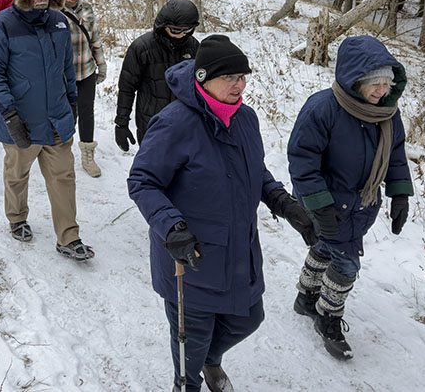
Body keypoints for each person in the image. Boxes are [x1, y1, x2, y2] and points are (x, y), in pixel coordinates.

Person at [128, 35, 313, 392]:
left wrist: (283, 203)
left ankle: (210, 362)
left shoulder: (245, 118)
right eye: (230, 77)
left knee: (248, 318)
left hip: (238, 252)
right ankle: (191, 380)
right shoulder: (175, 123)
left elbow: (254, 171)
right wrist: (172, 227)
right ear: (202, 78)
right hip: (192, 259)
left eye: (242, 76)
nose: (239, 84)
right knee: (190, 347)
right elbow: (143, 181)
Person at [287, 35, 413, 361]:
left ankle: (306, 296)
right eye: (373, 82)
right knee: (346, 262)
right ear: (354, 79)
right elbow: (302, 162)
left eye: (386, 83)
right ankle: (328, 316)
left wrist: (400, 194)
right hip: (325, 203)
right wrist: (320, 207)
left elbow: (395, 156)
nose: (381, 90)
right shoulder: (322, 109)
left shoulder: (386, 114)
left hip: (362, 206)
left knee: (325, 247)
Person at [0, 0, 95, 261]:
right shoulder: (1, 25)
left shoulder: (59, 23)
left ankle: (68, 237)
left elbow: (67, 68)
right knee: (17, 174)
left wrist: (71, 103)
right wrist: (8, 115)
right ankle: (17, 217)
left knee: (63, 177)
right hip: (21, 120)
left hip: (57, 118)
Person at [115, 0, 200, 151]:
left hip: (185, 124)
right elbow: (127, 88)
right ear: (164, 26)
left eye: (187, 30)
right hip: (151, 123)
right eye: (175, 30)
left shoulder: (194, 47)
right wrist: (121, 123)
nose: (181, 35)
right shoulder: (142, 48)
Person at [60, 0, 106, 177]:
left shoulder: (87, 9)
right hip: (65, 75)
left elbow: (95, 38)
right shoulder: (55, 12)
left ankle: (88, 155)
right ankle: (63, 155)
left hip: (87, 71)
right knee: (68, 114)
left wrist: (101, 64)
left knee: (87, 112)